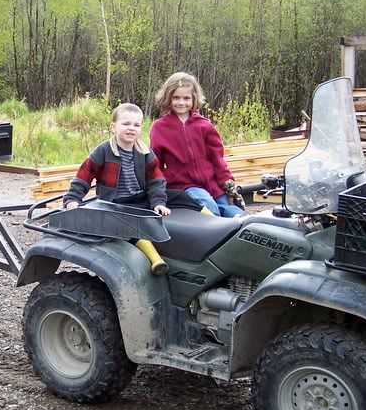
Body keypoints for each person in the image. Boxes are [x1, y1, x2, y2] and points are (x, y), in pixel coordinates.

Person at [63, 102, 200, 275]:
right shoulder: (103, 151)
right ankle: (155, 260)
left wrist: (158, 201)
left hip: (140, 198)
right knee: (128, 224)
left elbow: (156, 180)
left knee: (180, 195)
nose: (131, 129)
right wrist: (73, 199)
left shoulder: (145, 152)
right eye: (126, 124)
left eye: (136, 125)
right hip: (116, 203)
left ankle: (218, 222)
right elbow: (84, 175)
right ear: (113, 127)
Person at [149, 72, 245, 217]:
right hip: (184, 186)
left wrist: (228, 184)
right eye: (176, 97)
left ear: (194, 99)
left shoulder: (204, 125)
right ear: (168, 98)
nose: (181, 102)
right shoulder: (160, 128)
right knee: (209, 208)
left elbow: (217, 159)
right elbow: (156, 164)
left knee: (236, 213)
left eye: (186, 98)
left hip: (212, 184)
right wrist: (158, 192)